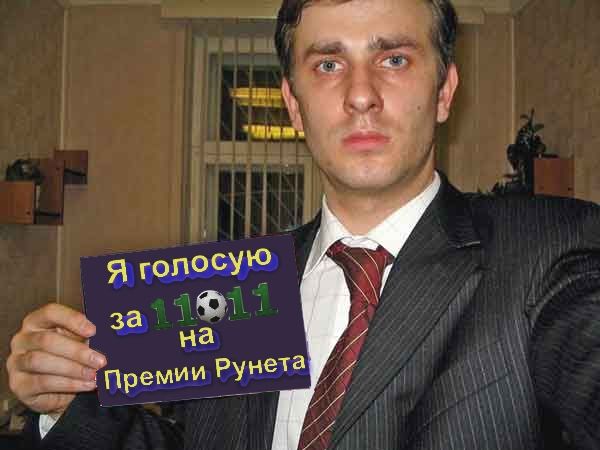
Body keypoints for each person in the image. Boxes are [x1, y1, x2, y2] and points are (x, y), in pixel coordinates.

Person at [6, 0, 600, 448]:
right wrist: (65, 401)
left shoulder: (548, 250)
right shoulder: (229, 289)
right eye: (328, 63)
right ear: (293, 105)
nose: (361, 94)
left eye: (394, 59)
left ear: (444, 91)